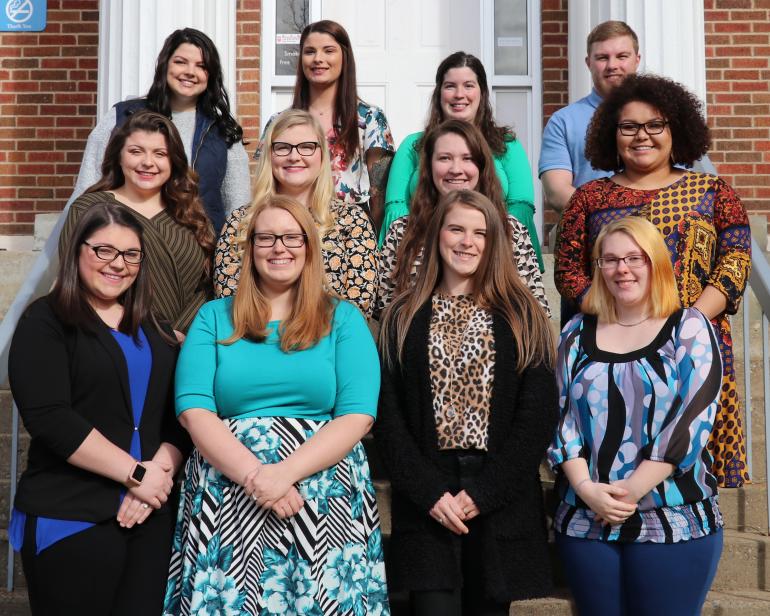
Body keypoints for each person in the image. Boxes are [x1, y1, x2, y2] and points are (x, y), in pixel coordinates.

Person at [164, 195, 388, 615]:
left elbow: (357, 414)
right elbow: (194, 409)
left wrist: (285, 474)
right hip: (228, 492)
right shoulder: (214, 317)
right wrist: (255, 477)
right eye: (265, 238)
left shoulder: (343, 319)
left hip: (322, 495)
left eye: (290, 237)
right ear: (249, 250)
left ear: (309, 247)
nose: (278, 248)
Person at [554, 73, 752, 488]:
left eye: (654, 125)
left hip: (693, 349)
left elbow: (735, 264)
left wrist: (685, 328)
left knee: (691, 470)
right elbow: (569, 271)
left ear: (675, 130)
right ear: (613, 133)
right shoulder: (589, 199)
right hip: (614, 349)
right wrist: (621, 320)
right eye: (629, 126)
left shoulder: (714, 192)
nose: (641, 136)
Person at [376, 189, 557, 616]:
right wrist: (430, 494)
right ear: (437, 236)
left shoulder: (523, 315)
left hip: (499, 495)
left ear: (494, 242)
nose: (467, 241)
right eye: (456, 228)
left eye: (480, 233)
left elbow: (537, 418)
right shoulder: (402, 316)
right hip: (428, 498)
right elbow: (388, 418)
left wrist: (484, 493)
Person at [8, 203, 189, 615]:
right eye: (103, 250)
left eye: (130, 255)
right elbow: (51, 418)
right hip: (71, 512)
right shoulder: (46, 321)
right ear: (77, 251)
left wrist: (157, 475)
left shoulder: (155, 329)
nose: (117, 264)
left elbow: (179, 416)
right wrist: (136, 474)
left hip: (148, 515)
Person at [548, 217, 724, 616]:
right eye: (609, 260)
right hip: (585, 519)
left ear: (656, 263)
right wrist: (588, 490)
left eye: (634, 258)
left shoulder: (688, 328)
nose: (621, 269)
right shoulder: (577, 331)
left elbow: (692, 420)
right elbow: (562, 419)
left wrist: (627, 493)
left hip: (672, 519)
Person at [74, 27, 250, 232]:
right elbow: (86, 189)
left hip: (201, 252)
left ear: (210, 75)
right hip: (128, 247)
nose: (190, 72)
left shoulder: (223, 131)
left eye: (201, 66)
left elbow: (239, 211)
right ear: (165, 64)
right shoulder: (122, 116)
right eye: (180, 62)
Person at [381, 51, 543, 269]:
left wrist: (489, 245)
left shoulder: (506, 144)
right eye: (450, 86)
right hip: (422, 256)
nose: (459, 94)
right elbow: (397, 208)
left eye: (468, 85)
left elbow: (520, 206)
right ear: (439, 93)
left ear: (482, 92)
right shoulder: (413, 146)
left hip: (494, 253)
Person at [59, 110, 214, 335]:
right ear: (119, 156)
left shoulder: (192, 216)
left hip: (186, 343)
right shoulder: (90, 208)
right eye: (136, 151)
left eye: (160, 153)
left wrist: (181, 333)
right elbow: (76, 278)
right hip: (117, 338)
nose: (148, 162)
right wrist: (152, 336)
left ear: (174, 161)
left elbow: (207, 287)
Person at [377, 120, 549, 319]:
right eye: (444, 158)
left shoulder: (511, 229)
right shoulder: (402, 230)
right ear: (428, 165)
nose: (456, 169)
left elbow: (536, 314)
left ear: (482, 166)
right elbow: (385, 312)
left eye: (468, 158)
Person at [215, 109, 379, 318]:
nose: (294, 156)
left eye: (306, 147)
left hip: (330, 344)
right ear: (269, 155)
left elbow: (359, 307)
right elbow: (228, 302)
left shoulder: (352, 222)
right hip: (254, 341)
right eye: (283, 147)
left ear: (322, 155)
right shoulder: (240, 222)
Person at [257, 20, 394, 228]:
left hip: (348, 233)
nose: (318, 59)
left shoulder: (370, 119)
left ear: (344, 56)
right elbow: (264, 184)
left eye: (328, 51)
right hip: (289, 231)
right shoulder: (278, 123)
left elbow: (379, 194)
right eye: (310, 51)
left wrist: (366, 238)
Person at [538, 20, 640, 214]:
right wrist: (611, 217)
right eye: (602, 57)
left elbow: (693, 180)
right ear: (588, 63)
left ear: (637, 59)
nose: (612, 65)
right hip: (590, 234)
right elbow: (557, 192)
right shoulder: (563, 122)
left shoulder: (665, 115)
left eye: (622, 56)